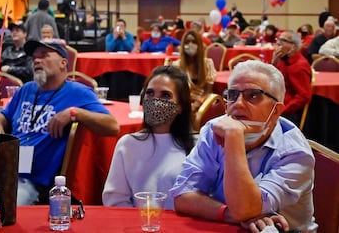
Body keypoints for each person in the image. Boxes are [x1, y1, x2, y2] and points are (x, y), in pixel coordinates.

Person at [0, 39, 120, 210]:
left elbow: (112, 126)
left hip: (31, 180)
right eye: (34, 57)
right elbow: (4, 115)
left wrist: (74, 112)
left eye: (44, 55)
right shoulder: (27, 89)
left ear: (63, 63)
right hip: (0, 168)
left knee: (6, 206)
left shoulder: (77, 93)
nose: (36, 60)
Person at [170, 60, 317, 232]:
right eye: (232, 95)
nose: (238, 103)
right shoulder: (214, 129)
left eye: (252, 95)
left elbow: (245, 208)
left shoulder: (295, 153)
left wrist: (234, 137)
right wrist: (228, 214)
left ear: (276, 111)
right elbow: (182, 195)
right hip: (227, 226)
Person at [102, 66, 195, 210]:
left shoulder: (197, 146)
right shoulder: (128, 144)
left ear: (180, 106)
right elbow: (115, 200)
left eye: (165, 96)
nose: (155, 101)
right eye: (150, 93)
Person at [272, 30, 312, 126]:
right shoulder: (282, 60)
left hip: (289, 112)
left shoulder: (299, 66)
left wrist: (283, 109)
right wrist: (273, 63)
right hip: (276, 103)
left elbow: (304, 96)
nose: (278, 43)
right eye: (278, 39)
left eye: (283, 40)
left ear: (294, 47)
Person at [172, 30, 216, 114]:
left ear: (199, 44)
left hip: (202, 101)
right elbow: (175, 91)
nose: (190, 45)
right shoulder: (176, 65)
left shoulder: (207, 64)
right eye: (187, 42)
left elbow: (208, 91)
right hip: (183, 102)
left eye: (193, 42)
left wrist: (197, 104)